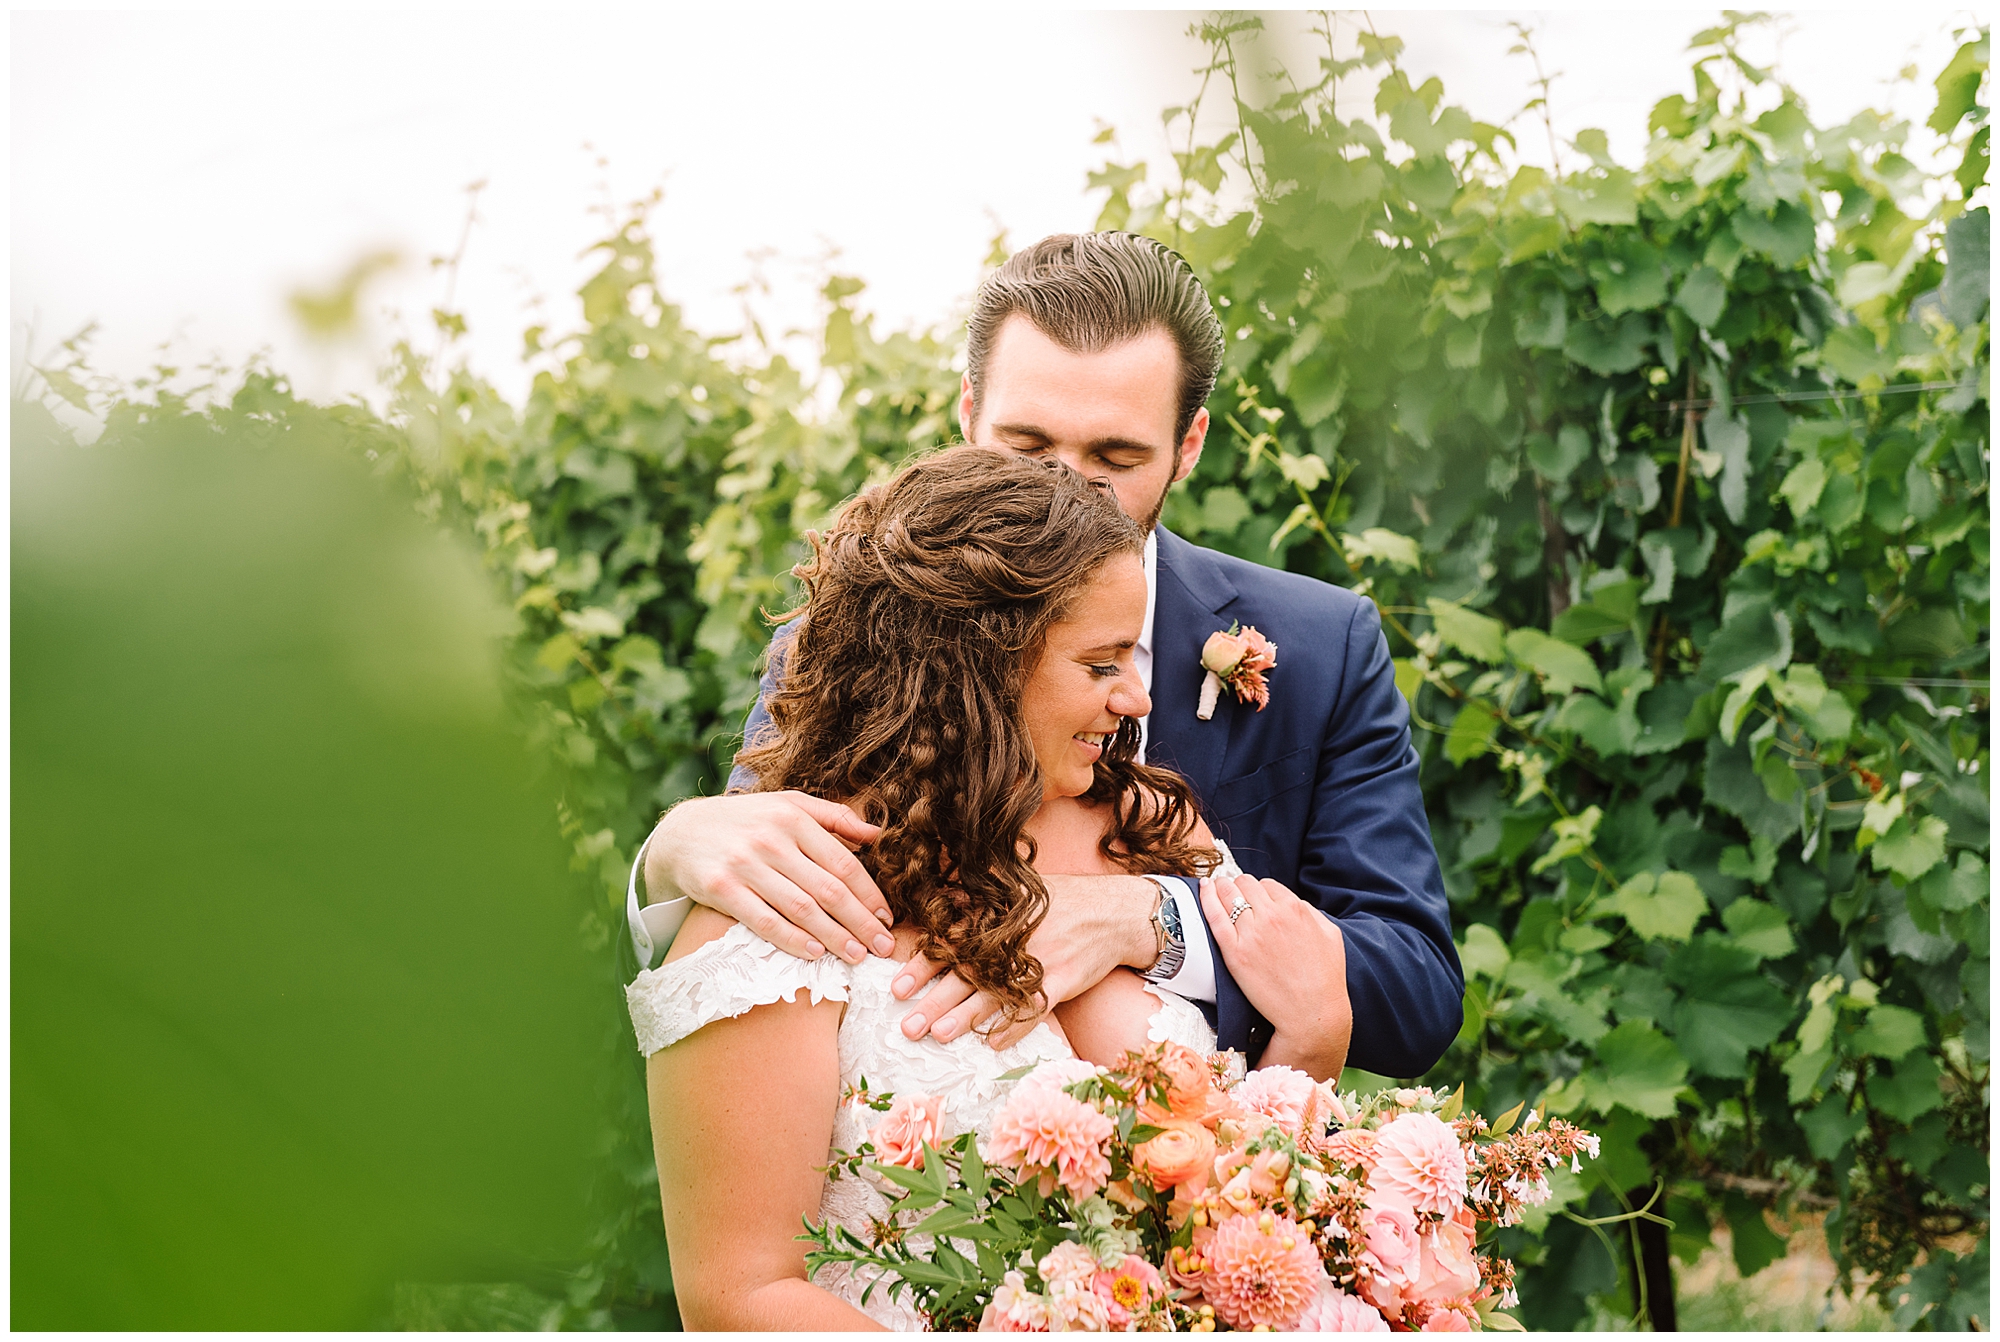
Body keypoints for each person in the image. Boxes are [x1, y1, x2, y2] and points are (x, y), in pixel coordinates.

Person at [629, 232, 1462, 1080]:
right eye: (1027, 446)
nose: (1061, 492)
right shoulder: (851, 641)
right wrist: (670, 852)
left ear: (1190, 443)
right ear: (966, 413)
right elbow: (765, 904)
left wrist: (1153, 922)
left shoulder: (1325, 645)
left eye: (1114, 457)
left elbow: (1416, 989)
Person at [629, 449, 1250, 1328]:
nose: (1137, 696)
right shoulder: (784, 908)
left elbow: (1283, 1092)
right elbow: (743, 1302)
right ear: (980, 669)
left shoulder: (1145, 825)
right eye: (1102, 663)